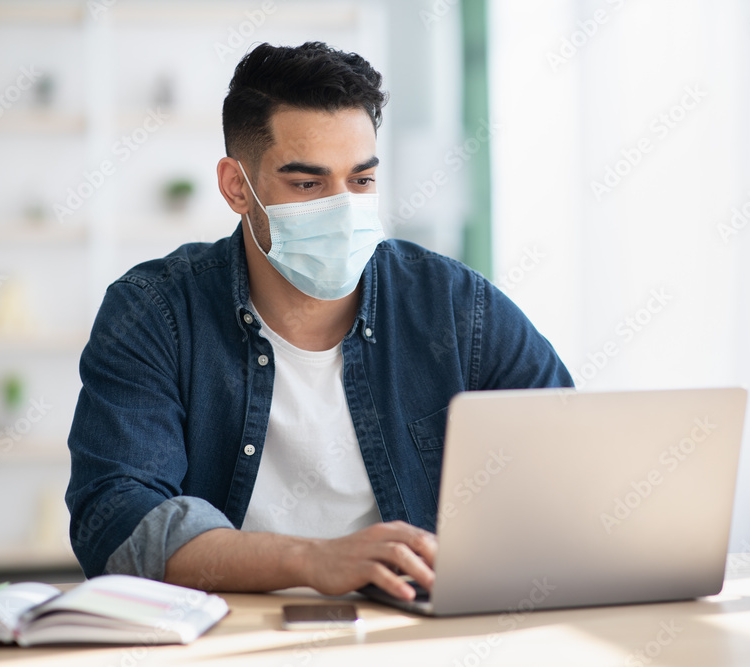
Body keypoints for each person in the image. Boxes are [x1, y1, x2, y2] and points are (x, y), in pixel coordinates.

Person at [65, 41, 572, 602]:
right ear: (238, 186)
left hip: (412, 632)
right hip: (228, 634)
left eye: (361, 181)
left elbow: (568, 462)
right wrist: (311, 561)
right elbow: (116, 520)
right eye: (307, 184)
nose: (342, 207)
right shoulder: (155, 311)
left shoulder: (456, 306)